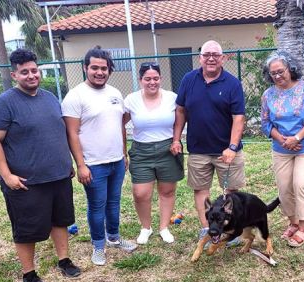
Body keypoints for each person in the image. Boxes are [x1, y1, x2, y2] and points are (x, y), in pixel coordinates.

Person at [0, 49, 81, 282]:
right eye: (24, 72)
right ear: (15, 74)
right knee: (27, 229)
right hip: (26, 182)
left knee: (61, 221)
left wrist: (66, 162)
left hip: (58, 176)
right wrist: (7, 175)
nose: (31, 75)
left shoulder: (49, 98)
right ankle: (29, 273)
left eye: (34, 70)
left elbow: (57, 133)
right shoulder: (5, 103)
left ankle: (64, 260)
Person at [62, 47, 137, 266]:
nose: (99, 72)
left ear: (109, 70)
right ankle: (98, 246)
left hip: (116, 161)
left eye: (104, 68)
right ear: (86, 68)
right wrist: (81, 165)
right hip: (93, 165)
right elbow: (72, 133)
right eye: (94, 67)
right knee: (97, 205)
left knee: (113, 203)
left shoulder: (115, 93)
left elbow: (120, 126)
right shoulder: (75, 96)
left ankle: (113, 237)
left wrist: (123, 153)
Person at [171, 40, 246, 246]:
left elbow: (238, 117)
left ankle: (232, 230)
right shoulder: (188, 79)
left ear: (222, 58)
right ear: (200, 58)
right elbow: (180, 110)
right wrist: (176, 138)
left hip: (226, 151)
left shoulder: (232, 83)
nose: (211, 58)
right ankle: (207, 228)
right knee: (200, 190)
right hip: (198, 150)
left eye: (215, 54)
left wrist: (232, 147)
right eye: (206, 54)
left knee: (232, 193)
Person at [261, 50, 304, 247]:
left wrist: (296, 137)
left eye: (281, 71)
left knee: (301, 184)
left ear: (290, 68)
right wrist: (283, 140)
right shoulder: (268, 95)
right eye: (273, 73)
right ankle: (293, 222)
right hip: (281, 149)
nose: (278, 76)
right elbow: (265, 123)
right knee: (284, 187)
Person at [123, 62, 184, 245]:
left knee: (167, 191)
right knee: (141, 193)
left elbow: (180, 120)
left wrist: (176, 140)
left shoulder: (172, 98)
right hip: (141, 150)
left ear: (160, 78)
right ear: (140, 80)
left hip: (168, 148)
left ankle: (164, 227)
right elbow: (119, 122)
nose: (152, 82)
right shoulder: (131, 100)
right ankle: (146, 227)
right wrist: (122, 149)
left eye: (156, 78)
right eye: (147, 79)